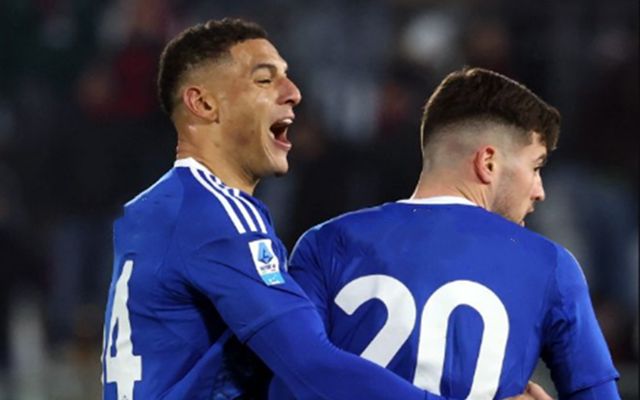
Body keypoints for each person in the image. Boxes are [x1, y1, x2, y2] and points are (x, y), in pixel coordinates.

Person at [103, 18, 543, 400]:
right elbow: (311, 366)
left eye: (287, 77)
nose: (293, 92)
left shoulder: (160, 207)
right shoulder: (217, 217)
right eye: (264, 80)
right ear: (203, 104)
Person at [271, 68, 620, 399]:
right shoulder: (550, 265)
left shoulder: (326, 243)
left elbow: (289, 382)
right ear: (488, 163)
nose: (539, 191)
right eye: (536, 166)